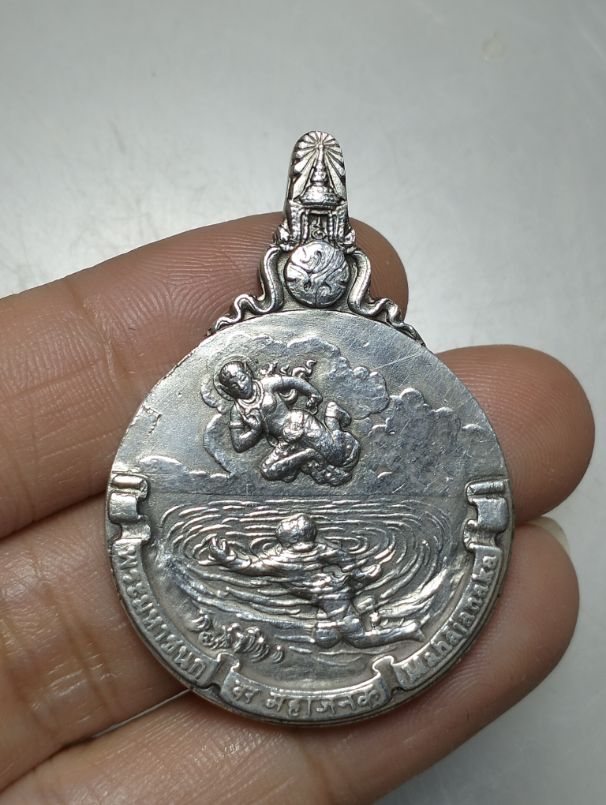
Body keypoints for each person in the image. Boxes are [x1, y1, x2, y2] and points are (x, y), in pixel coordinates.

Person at [0, 215, 590, 801]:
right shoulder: (246, 411)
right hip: (298, 455)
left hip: (314, 435)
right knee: (285, 480)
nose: (239, 383)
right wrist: (248, 427)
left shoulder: (274, 392)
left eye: (239, 376)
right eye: (232, 382)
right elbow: (243, 445)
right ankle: (374, 593)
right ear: (227, 386)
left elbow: (298, 397)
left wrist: (302, 393)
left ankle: (341, 506)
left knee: (325, 519)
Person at [208, 513, 423, 648]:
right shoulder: (319, 548)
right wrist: (352, 571)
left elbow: (250, 567)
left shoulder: (280, 560)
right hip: (330, 592)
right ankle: (361, 593)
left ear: (285, 540)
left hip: (330, 597)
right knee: (325, 638)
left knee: (358, 639)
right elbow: (341, 556)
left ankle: (407, 630)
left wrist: (225, 557)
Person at [216, 359, 360, 485]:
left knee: (338, 458)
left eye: (242, 378)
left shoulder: (266, 384)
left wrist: (313, 394)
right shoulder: (237, 410)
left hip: (300, 423)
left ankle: (332, 415)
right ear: (227, 390)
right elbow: (238, 445)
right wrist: (255, 431)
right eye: (234, 386)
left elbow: (293, 381)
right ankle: (308, 454)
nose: (241, 386)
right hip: (284, 440)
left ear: (248, 373)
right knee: (267, 471)